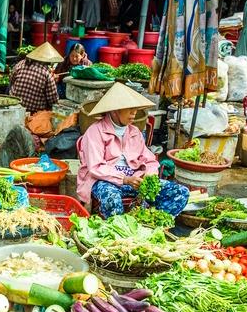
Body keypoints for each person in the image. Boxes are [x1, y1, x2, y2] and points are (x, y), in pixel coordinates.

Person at [77, 82, 190, 218]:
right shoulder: (95, 132)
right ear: (114, 110)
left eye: (135, 108)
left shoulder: (134, 132)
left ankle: (150, 224)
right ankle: (119, 232)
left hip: (135, 181)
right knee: (111, 199)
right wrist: (125, 179)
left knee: (180, 192)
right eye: (129, 108)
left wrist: (149, 174)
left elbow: (149, 160)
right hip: (104, 182)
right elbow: (96, 167)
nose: (134, 113)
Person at [10, 42, 62, 114]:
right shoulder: (46, 74)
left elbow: (11, 80)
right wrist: (54, 82)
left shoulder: (20, 64)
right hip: (34, 112)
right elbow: (53, 101)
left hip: (14, 105)